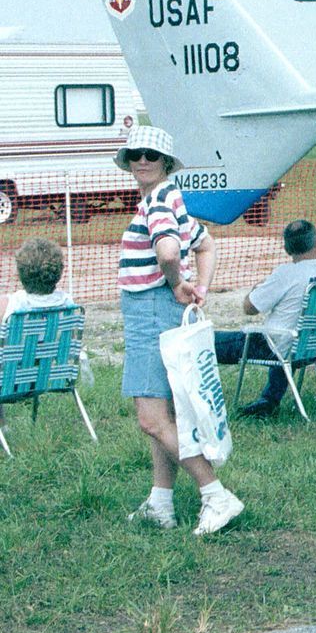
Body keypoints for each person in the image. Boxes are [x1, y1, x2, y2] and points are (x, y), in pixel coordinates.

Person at [116, 125, 245, 536]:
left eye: (151, 156)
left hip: (151, 311)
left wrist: (176, 283)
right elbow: (205, 244)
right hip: (163, 313)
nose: (141, 160)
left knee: (151, 419)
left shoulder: (157, 201)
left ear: (166, 163)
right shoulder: (173, 200)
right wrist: (198, 289)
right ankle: (161, 501)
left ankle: (215, 494)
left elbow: (169, 251)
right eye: (135, 153)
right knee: (166, 413)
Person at [215, 219, 316, 417]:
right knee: (287, 334)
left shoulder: (285, 274)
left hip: (282, 345)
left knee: (208, 342)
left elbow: (250, 308)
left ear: (286, 248)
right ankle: (270, 399)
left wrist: (257, 288)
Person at [3, 236, 77, 429]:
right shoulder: (67, 304)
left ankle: (2, 425)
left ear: (21, 272)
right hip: (51, 377)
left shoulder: (11, 304)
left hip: (10, 383)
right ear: (58, 271)